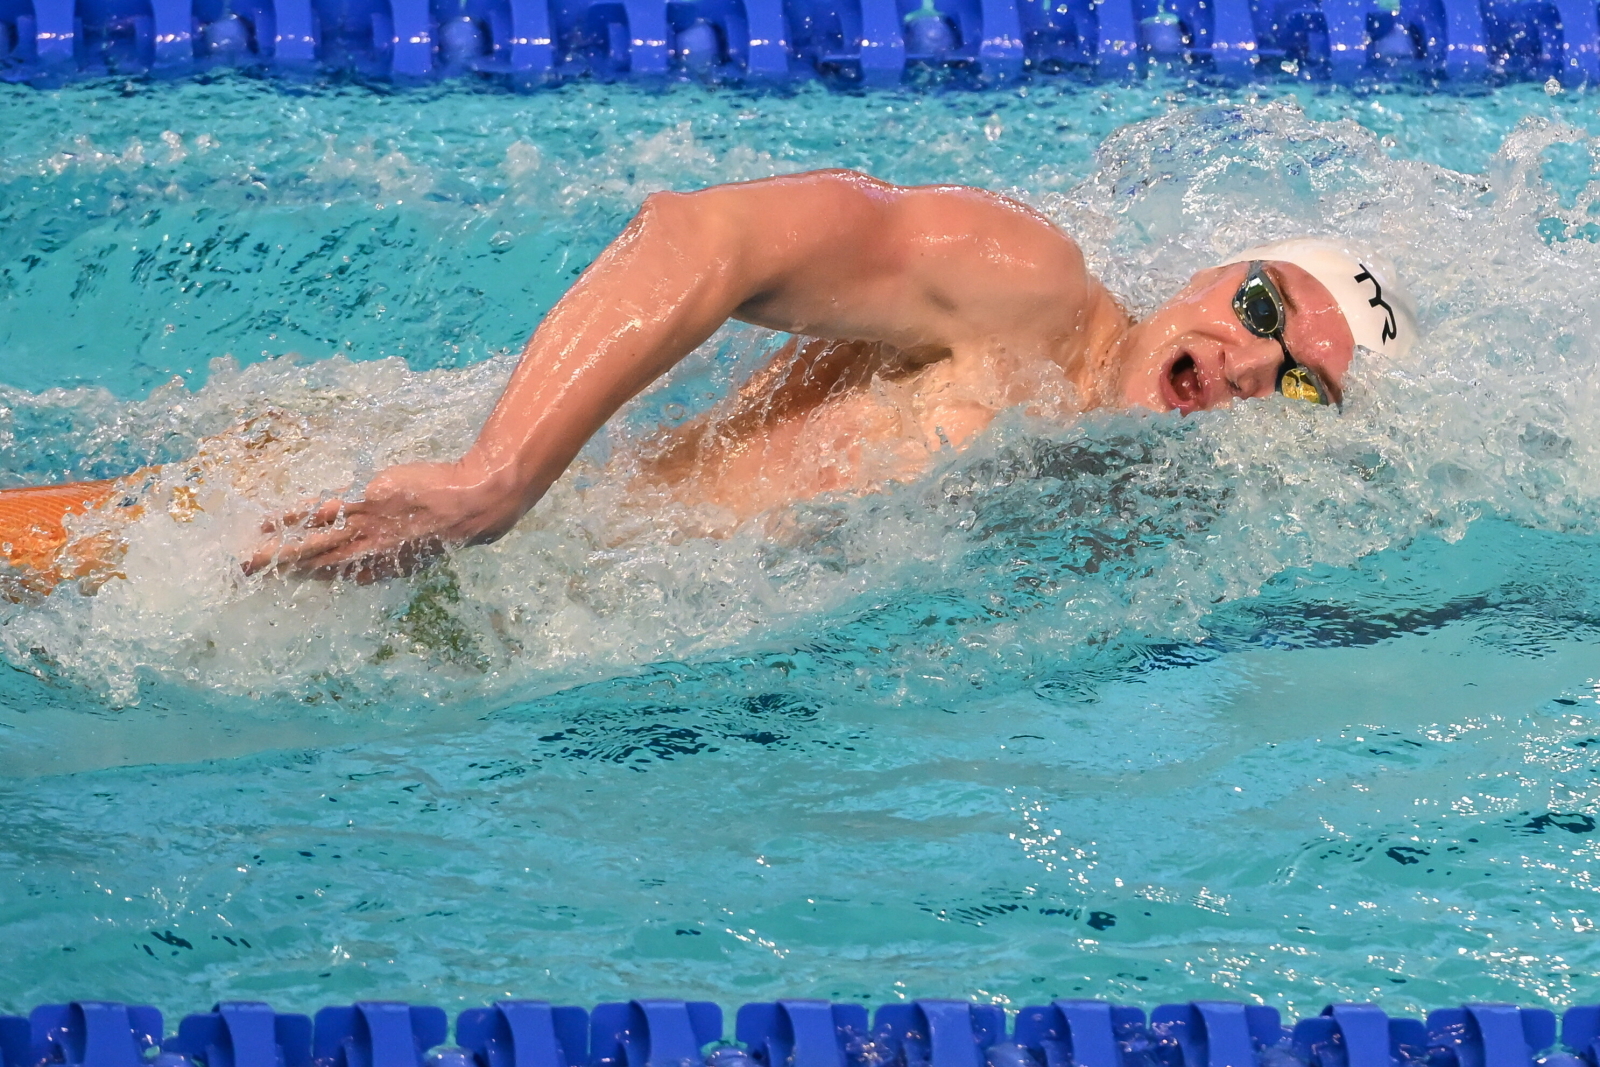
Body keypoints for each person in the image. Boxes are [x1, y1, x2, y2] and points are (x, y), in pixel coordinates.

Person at [0, 169, 1416, 595]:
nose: (1244, 363)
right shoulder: (1026, 286)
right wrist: (499, 476)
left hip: (511, 616)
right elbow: (704, 233)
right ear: (1198, 276)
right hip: (459, 532)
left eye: (1298, 389)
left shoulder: (1126, 507)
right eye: (1254, 307)